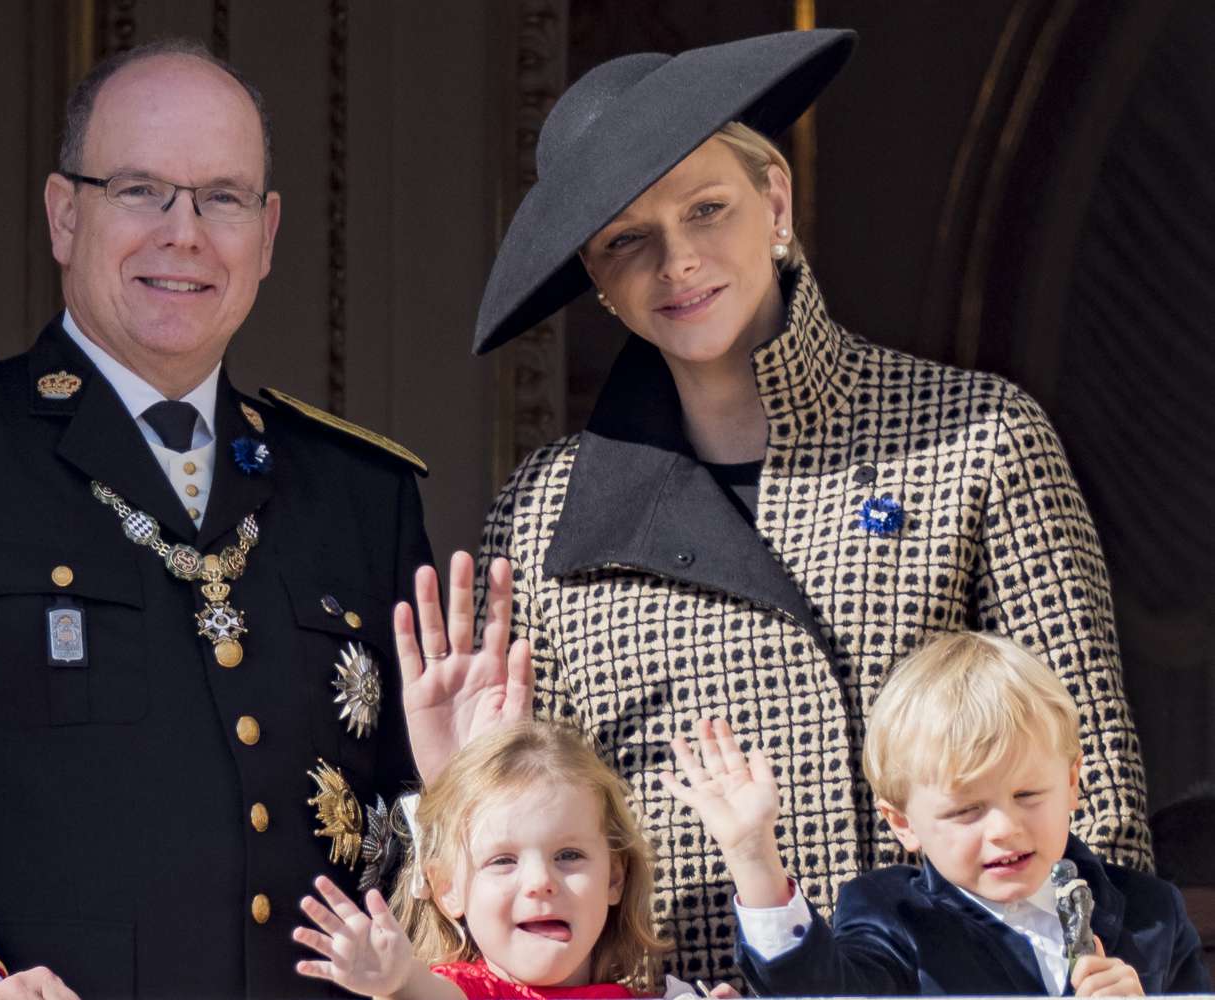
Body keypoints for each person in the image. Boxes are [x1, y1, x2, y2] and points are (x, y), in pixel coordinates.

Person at [463, 28, 1151, 984]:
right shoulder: (542, 515)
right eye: (629, 240)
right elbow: (526, 842)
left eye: (708, 208)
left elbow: (1096, 798)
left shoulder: (981, 437)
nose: (679, 263)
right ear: (598, 282)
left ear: (775, 202)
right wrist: (449, 766)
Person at [0, 38, 432, 1000]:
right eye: (139, 191)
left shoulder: (364, 495)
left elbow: (431, 819)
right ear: (63, 215)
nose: (185, 233)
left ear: (269, 234)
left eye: (223, 198)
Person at [659, 631, 1210, 995]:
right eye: (967, 810)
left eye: (1027, 796)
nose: (1005, 828)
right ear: (903, 824)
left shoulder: (1150, 912)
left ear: (1071, 783)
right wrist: (753, 856)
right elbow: (822, 990)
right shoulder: (892, 917)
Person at [291, 721, 721, 999]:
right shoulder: (468, 991)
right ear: (447, 890)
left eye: (568, 855)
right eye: (502, 861)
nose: (540, 882)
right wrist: (399, 981)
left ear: (614, 877)